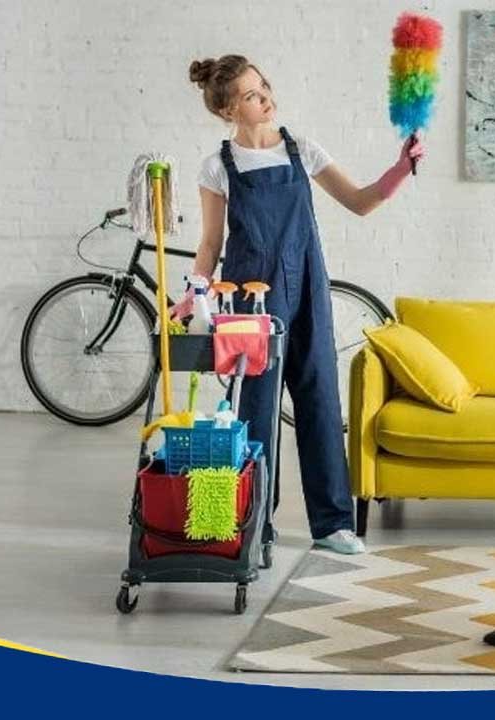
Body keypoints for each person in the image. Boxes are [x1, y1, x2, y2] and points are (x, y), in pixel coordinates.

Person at [174, 55, 424, 554]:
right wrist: (194, 292)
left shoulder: (301, 150)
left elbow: (360, 200)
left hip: (306, 286)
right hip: (247, 297)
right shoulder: (216, 167)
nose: (264, 96)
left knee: (319, 400)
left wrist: (400, 168)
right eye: (249, 94)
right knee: (254, 409)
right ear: (228, 110)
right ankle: (253, 523)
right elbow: (210, 242)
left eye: (263, 85)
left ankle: (332, 524)